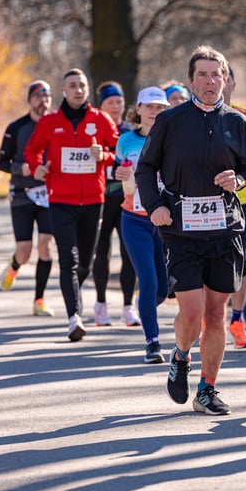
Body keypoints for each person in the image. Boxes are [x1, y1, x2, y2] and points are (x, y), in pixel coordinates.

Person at [135, 45, 246, 416]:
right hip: (181, 228)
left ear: (226, 80)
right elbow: (145, 169)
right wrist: (155, 206)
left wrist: (237, 179)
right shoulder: (171, 121)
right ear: (191, 80)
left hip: (224, 228)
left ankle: (207, 388)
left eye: (216, 74)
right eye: (202, 75)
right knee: (192, 312)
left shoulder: (238, 122)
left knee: (216, 312)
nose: (210, 81)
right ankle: (181, 354)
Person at [24, 68, 119, 342]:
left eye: (82, 85)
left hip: (93, 200)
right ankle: (74, 317)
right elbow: (32, 151)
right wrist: (37, 168)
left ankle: (75, 306)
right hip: (60, 200)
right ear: (63, 91)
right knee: (69, 259)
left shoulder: (100, 120)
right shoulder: (49, 121)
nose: (78, 90)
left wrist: (104, 155)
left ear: (87, 90)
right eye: (72, 86)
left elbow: (119, 153)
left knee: (84, 264)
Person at [113, 86, 170, 363]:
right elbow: (117, 169)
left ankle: (145, 305)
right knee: (147, 279)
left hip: (165, 221)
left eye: (160, 107)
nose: (154, 112)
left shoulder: (172, 139)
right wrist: (119, 171)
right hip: (133, 219)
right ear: (138, 110)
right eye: (149, 107)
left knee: (162, 288)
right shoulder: (125, 140)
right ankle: (153, 342)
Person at [0, 80, 56, 317]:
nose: (43, 100)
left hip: (47, 195)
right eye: (38, 96)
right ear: (30, 100)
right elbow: (2, 163)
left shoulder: (56, 125)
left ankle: (39, 300)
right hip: (21, 195)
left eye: (47, 95)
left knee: (45, 246)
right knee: (24, 251)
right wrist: (21, 168)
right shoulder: (16, 127)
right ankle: (14, 265)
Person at [92, 81, 139, 327]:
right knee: (101, 252)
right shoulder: (95, 130)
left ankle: (128, 306)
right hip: (100, 199)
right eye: (110, 102)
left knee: (128, 251)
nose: (116, 106)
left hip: (126, 198)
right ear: (101, 106)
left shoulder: (130, 132)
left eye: (119, 101)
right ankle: (100, 303)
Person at [223, 65, 246, 349]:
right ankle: (210, 320)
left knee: (240, 261)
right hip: (205, 202)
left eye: (225, 79)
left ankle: (237, 319)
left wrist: (239, 179)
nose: (219, 84)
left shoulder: (243, 116)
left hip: (240, 201)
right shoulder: (190, 117)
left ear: (232, 83)